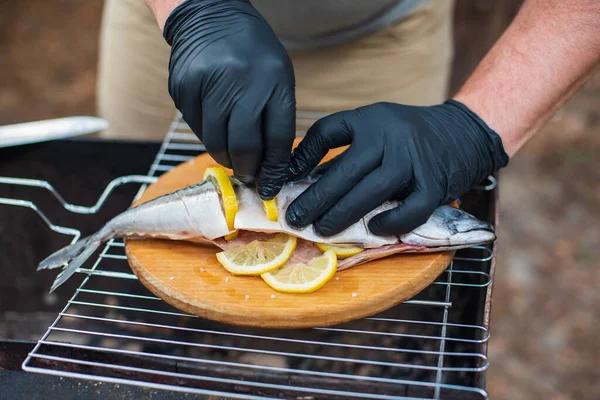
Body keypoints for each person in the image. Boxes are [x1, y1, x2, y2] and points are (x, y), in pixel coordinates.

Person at [97, 0, 600, 238]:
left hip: (387, 37)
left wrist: (478, 126)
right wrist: (194, 12)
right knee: (141, 218)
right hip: (175, 29)